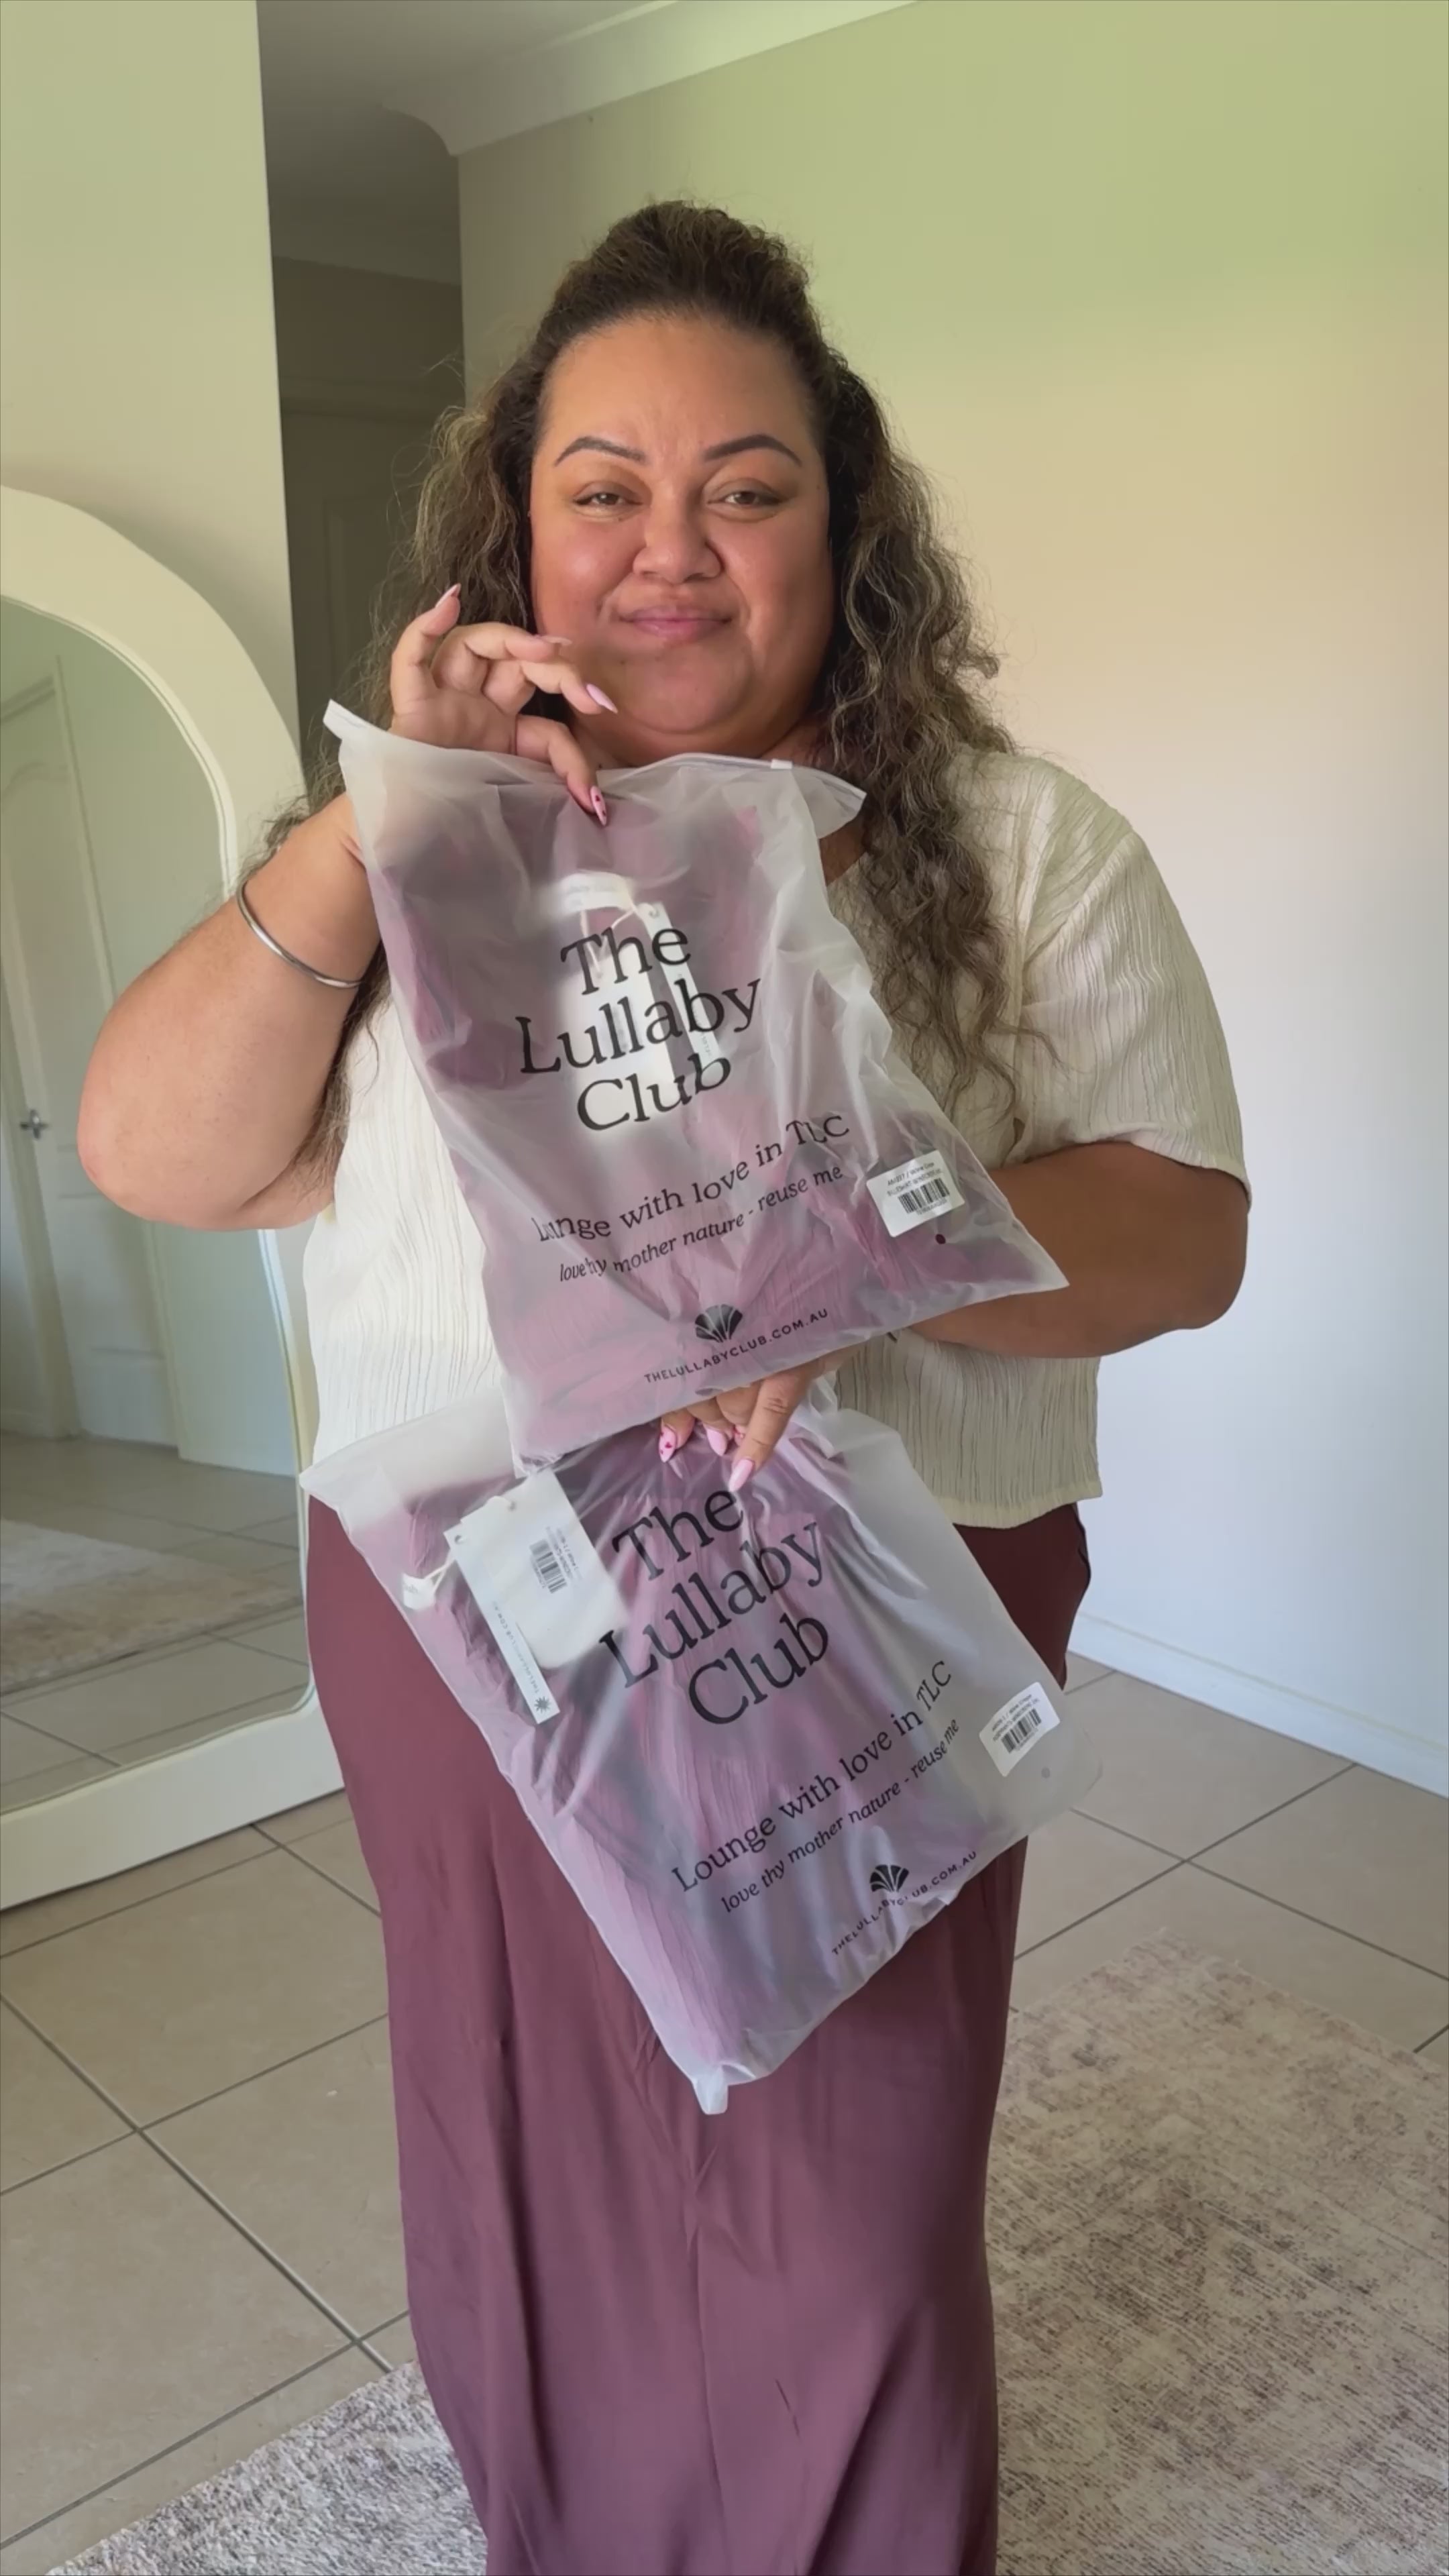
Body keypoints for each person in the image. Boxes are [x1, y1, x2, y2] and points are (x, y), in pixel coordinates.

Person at [80, 201, 1248, 2576]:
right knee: (524, 2163)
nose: (670, 546)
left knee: (850, 2212)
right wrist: (375, 819)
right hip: (476, 1619)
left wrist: (863, 1260)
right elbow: (158, 1151)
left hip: (877, 1611)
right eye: (603, 487)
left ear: (847, 521)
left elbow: (1190, 1230)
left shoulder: (1024, 848)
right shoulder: (410, 858)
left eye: (747, 485)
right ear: (517, 533)